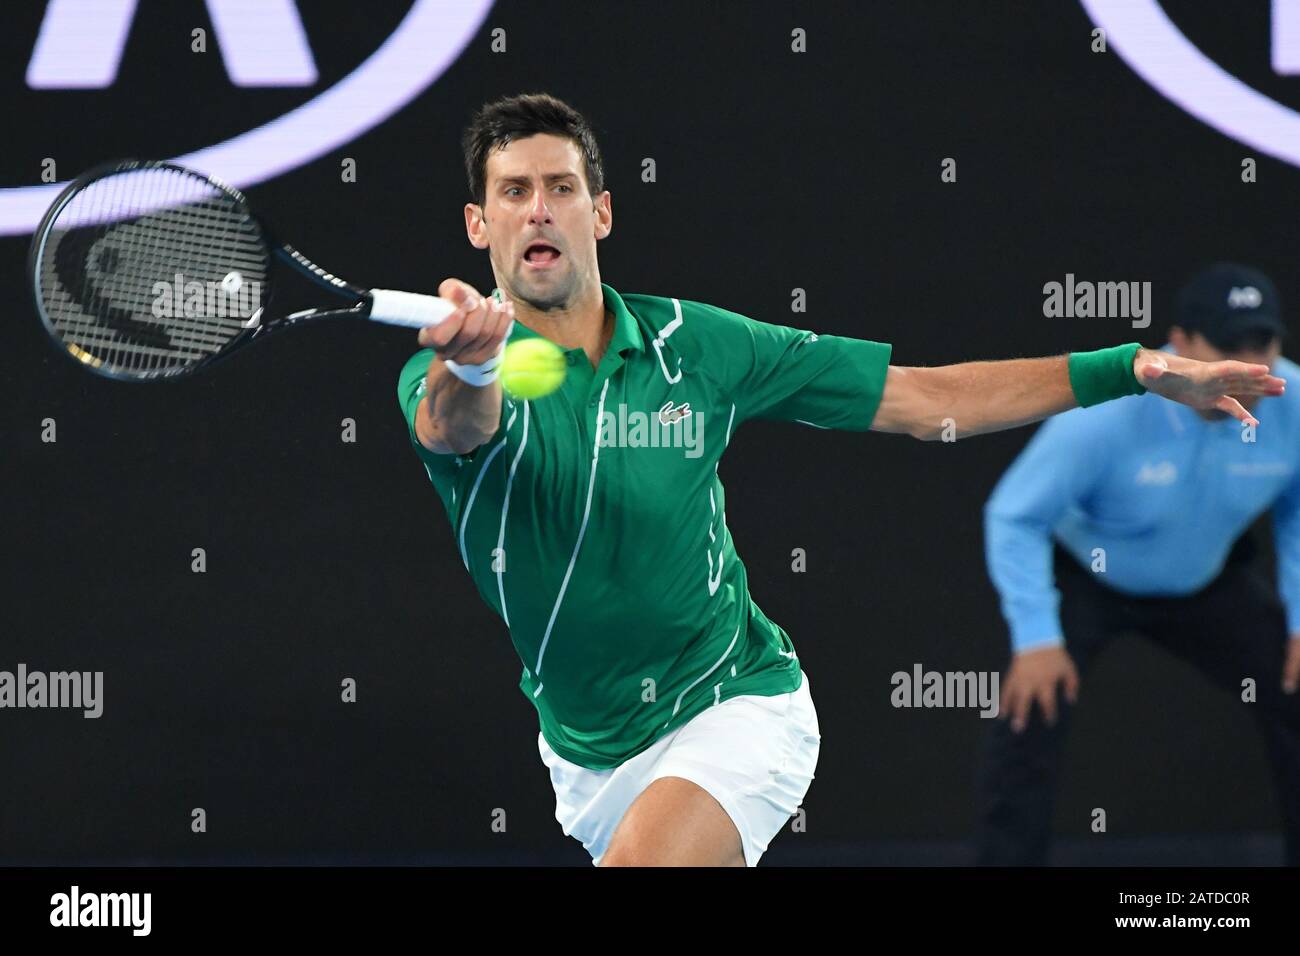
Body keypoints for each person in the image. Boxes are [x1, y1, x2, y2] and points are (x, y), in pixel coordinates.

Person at [397, 93, 1284, 866]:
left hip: (734, 702)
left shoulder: (699, 347)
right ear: (480, 225)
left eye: (561, 188)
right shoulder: (442, 376)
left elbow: (923, 399)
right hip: (584, 753)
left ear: (602, 214)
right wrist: (474, 367)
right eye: (514, 192)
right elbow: (453, 425)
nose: (539, 210)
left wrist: (1131, 367)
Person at [977, 263, 1300, 866]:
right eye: (1230, 347)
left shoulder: (1294, 402)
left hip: (1208, 577)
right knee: (1030, 711)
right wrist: (1035, 635)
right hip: (1088, 577)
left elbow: (1299, 509)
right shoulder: (1104, 417)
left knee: (1296, 685)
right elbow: (1014, 515)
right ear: (1180, 345)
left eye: (1264, 345)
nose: (1250, 367)